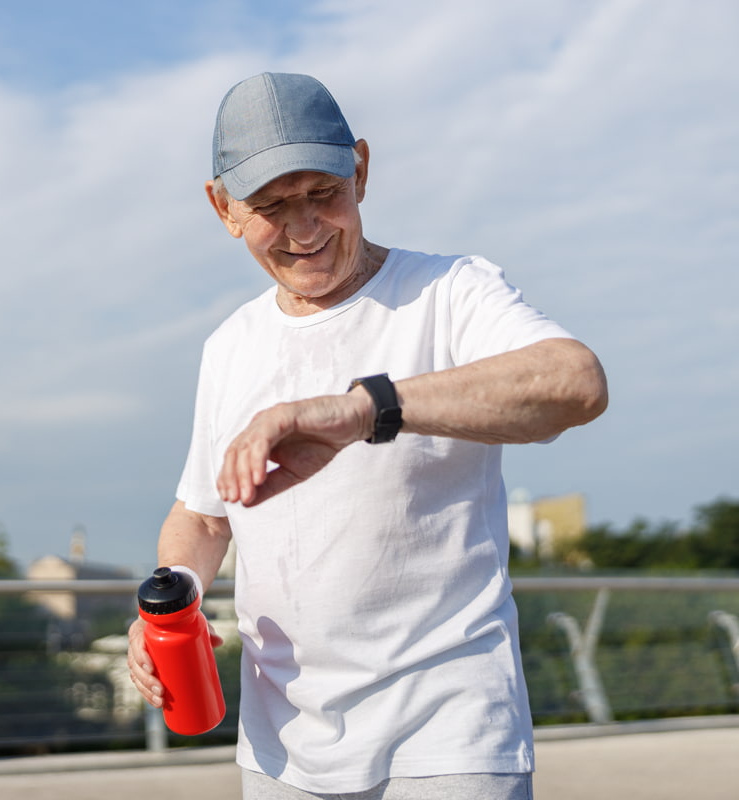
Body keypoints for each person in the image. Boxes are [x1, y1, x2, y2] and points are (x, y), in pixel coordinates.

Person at [127, 72, 608, 800]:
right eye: (270, 206)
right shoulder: (231, 345)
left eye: (324, 192)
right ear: (222, 207)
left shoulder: (452, 292)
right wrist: (174, 598)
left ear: (362, 167)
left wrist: (365, 409)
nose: (305, 229)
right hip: (283, 751)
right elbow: (201, 514)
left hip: (450, 736)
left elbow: (575, 383)